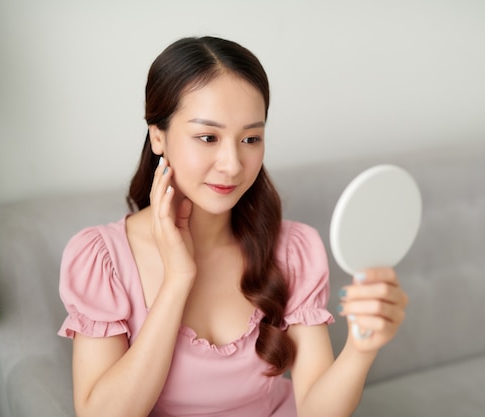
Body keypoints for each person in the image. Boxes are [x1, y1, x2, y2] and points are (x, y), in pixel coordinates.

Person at [58, 36, 408, 417]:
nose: (233, 164)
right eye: (208, 137)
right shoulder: (101, 259)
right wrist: (178, 279)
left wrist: (362, 348)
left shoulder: (293, 250)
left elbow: (316, 411)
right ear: (158, 136)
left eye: (251, 138)